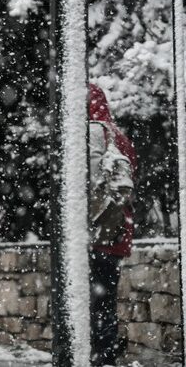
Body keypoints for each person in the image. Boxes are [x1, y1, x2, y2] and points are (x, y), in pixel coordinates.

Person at [88, 84, 137, 366]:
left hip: (88, 234)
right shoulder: (118, 137)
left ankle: (94, 352)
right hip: (116, 235)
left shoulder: (85, 135)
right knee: (105, 299)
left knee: (86, 299)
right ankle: (105, 352)